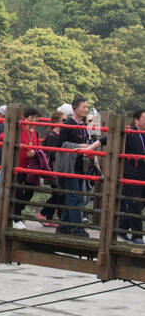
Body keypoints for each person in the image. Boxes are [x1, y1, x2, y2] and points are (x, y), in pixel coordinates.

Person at [55, 97, 98, 236]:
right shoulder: (68, 124)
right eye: (84, 107)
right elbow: (60, 145)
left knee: (77, 197)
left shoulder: (83, 125)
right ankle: (77, 228)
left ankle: (63, 227)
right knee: (75, 197)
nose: (86, 109)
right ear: (75, 107)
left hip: (81, 165)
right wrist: (79, 147)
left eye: (87, 107)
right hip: (70, 166)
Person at [119, 108, 145, 244]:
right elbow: (108, 139)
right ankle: (137, 235)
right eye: (144, 119)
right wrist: (90, 148)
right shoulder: (130, 132)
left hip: (143, 174)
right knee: (135, 203)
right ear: (136, 120)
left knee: (140, 203)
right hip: (131, 174)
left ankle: (122, 227)